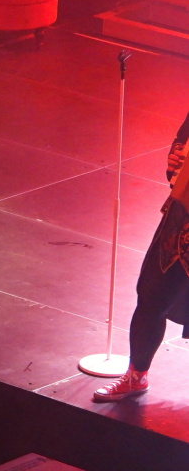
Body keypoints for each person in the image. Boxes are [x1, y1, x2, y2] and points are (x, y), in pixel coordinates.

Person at [94, 111, 189, 402]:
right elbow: (182, 140)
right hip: (182, 218)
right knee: (151, 296)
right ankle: (136, 376)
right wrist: (177, 158)